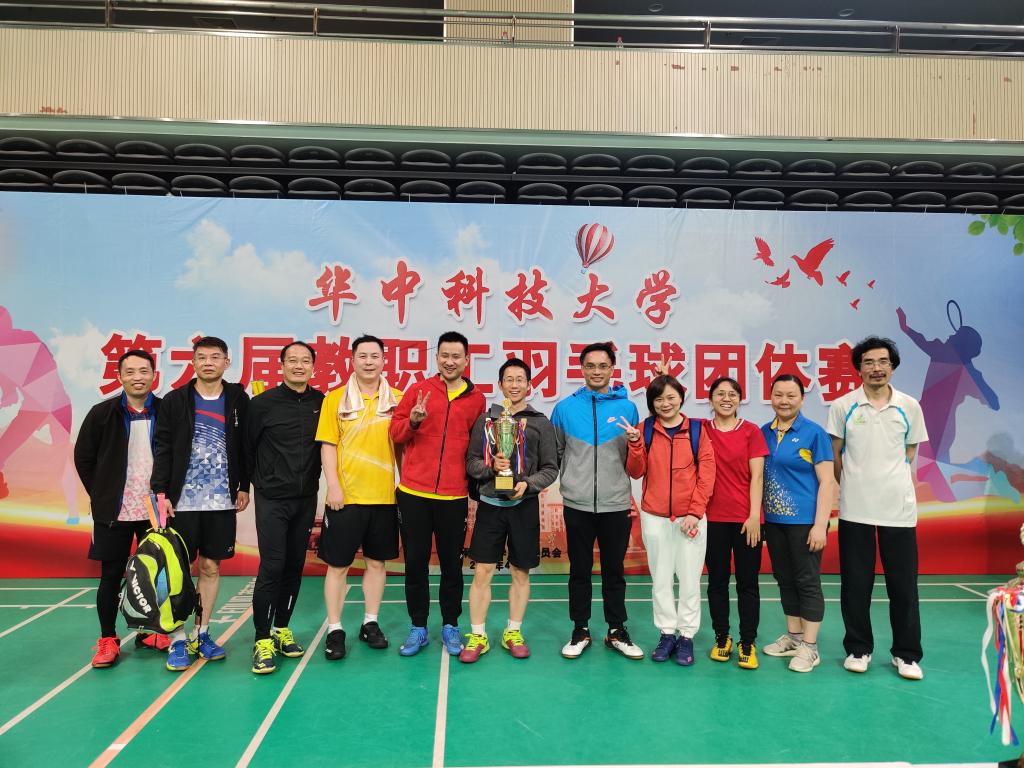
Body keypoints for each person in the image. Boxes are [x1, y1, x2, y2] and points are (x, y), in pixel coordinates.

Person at [827, 336, 928, 680]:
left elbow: (909, 453)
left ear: (892, 366)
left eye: (883, 361)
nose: (876, 368)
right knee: (856, 584)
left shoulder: (909, 406)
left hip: (898, 509)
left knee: (904, 585)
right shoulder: (843, 406)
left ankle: (907, 654)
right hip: (855, 509)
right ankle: (858, 649)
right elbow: (836, 455)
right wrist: (856, 485)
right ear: (858, 368)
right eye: (868, 362)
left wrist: (888, 482)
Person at [151, 336, 250, 671]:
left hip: (221, 501)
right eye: (202, 357)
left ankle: (201, 633)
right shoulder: (175, 400)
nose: (208, 362)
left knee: (210, 568)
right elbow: (163, 447)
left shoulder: (237, 399)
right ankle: (177, 639)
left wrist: (244, 485)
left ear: (227, 362)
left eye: (215, 357)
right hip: (181, 502)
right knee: (177, 573)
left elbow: (245, 446)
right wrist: (160, 493)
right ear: (193, 362)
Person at [389, 331, 486, 657]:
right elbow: (395, 433)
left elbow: (477, 447)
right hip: (413, 493)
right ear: (437, 357)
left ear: (466, 360)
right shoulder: (418, 391)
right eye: (445, 355)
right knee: (415, 564)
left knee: (451, 567)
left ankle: (450, 624)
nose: (450, 361)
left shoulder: (476, 399)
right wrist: (413, 422)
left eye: (456, 356)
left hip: (453, 496)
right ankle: (418, 626)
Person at [460, 357, 559, 663]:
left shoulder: (541, 423)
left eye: (520, 380)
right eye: (509, 379)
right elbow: (471, 462)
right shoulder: (486, 420)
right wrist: (490, 467)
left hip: (523, 507)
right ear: (500, 384)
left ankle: (513, 632)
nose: (514, 385)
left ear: (529, 385)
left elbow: (550, 468)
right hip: (490, 507)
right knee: (483, 572)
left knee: (520, 571)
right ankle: (478, 634)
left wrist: (528, 485)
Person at [74, 349, 168, 667]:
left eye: (144, 371)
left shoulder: (167, 411)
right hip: (115, 511)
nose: (137, 377)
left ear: (154, 375)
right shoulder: (102, 414)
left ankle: (150, 632)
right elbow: (84, 458)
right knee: (111, 575)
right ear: (120, 377)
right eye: (130, 372)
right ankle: (108, 639)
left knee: (155, 575)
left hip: (155, 508)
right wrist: (102, 493)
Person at [551, 341, 643, 660]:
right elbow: (556, 454)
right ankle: (580, 629)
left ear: (612, 369)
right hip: (576, 504)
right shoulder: (564, 409)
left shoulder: (628, 409)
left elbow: (635, 462)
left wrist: (636, 444)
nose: (596, 371)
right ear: (581, 369)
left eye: (603, 366)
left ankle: (616, 629)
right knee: (579, 570)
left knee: (614, 570)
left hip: (615, 503)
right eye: (590, 366)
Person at [316, 334, 403, 661]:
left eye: (375, 356)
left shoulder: (398, 399)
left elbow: (403, 446)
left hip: (383, 497)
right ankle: (335, 628)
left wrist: (404, 486)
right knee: (338, 566)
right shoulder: (335, 399)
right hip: (346, 498)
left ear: (384, 360)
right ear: (352, 360)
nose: (369, 362)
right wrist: (333, 486)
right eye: (363, 356)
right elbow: (328, 445)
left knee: (377, 563)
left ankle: (370, 622)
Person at [623, 375, 715, 666]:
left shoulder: (698, 430)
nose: (665, 404)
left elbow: (707, 474)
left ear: (681, 398)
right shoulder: (645, 429)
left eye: (671, 397)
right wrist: (635, 444)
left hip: (691, 519)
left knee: (689, 580)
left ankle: (686, 636)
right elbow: (636, 471)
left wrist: (695, 512)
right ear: (652, 403)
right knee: (661, 579)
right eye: (658, 399)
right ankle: (666, 633)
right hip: (655, 516)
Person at [244, 342, 324, 674]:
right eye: (292, 361)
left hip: (305, 498)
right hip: (272, 499)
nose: (299, 366)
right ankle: (262, 639)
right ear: (281, 365)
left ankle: (281, 629)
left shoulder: (322, 403)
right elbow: (246, 449)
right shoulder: (262, 404)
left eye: (305, 361)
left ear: (313, 367)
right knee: (272, 566)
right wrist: (246, 486)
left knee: (294, 565)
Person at [760, 374, 834, 673]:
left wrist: (820, 525)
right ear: (771, 398)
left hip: (805, 522)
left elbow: (827, 481)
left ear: (802, 399)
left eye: (791, 395)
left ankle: (810, 647)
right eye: (778, 395)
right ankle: (794, 637)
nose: (784, 401)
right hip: (774, 522)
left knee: (807, 581)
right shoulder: (763, 432)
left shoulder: (814, 433)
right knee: (785, 578)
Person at [703, 377, 769, 670]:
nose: (726, 399)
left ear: (740, 400)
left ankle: (747, 641)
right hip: (712, 521)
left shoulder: (751, 431)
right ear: (711, 400)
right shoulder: (702, 430)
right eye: (720, 394)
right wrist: (663, 378)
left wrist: (754, 516)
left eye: (732, 394)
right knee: (716, 582)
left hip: (746, 521)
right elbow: (668, 411)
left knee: (747, 583)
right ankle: (722, 637)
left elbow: (757, 476)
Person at [0, 305, 78, 520]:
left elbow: (49, 368)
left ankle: (73, 510)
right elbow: (10, 394)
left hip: (56, 405)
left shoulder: (26, 339)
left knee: (62, 459)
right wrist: (8, 396)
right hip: (36, 406)